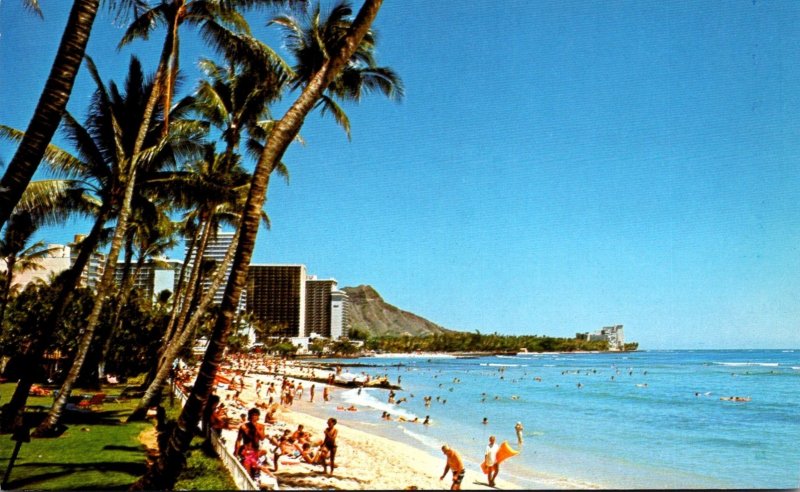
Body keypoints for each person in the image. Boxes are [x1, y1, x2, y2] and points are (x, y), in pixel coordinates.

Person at [235, 407, 267, 477]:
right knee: (247, 470)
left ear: (258, 416)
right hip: (246, 451)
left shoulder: (261, 426)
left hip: (255, 451)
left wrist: (255, 428)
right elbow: (238, 440)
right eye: (252, 415)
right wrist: (236, 453)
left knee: (254, 470)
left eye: (255, 415)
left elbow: (262, 438)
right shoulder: (244, 427)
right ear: (249, 416)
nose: (253, 417)